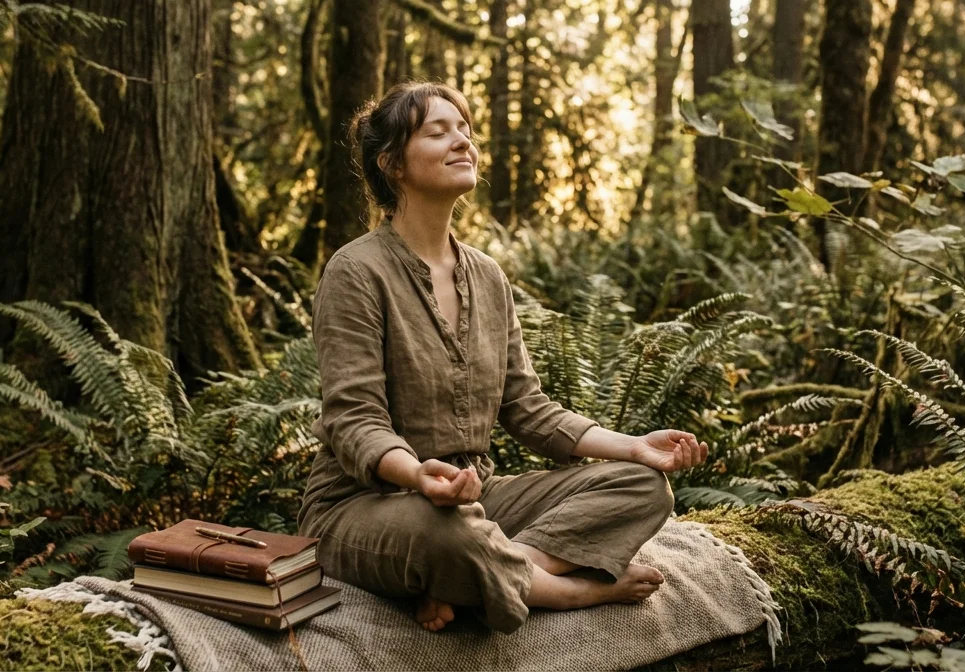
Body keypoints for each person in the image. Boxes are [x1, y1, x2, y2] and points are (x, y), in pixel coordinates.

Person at [297, 81, 709, 634]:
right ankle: (562, 592)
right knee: (449, 533)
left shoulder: (487, 276)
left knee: (640, 485)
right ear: (393, 163)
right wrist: (419, 476)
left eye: (465, 129)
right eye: (438, 131)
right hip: (365, 506)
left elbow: (528, 408)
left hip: (478, 500)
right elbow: (354, 421)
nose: (462, 141)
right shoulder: (356, 272)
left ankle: (482, 582)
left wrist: (634, 447)